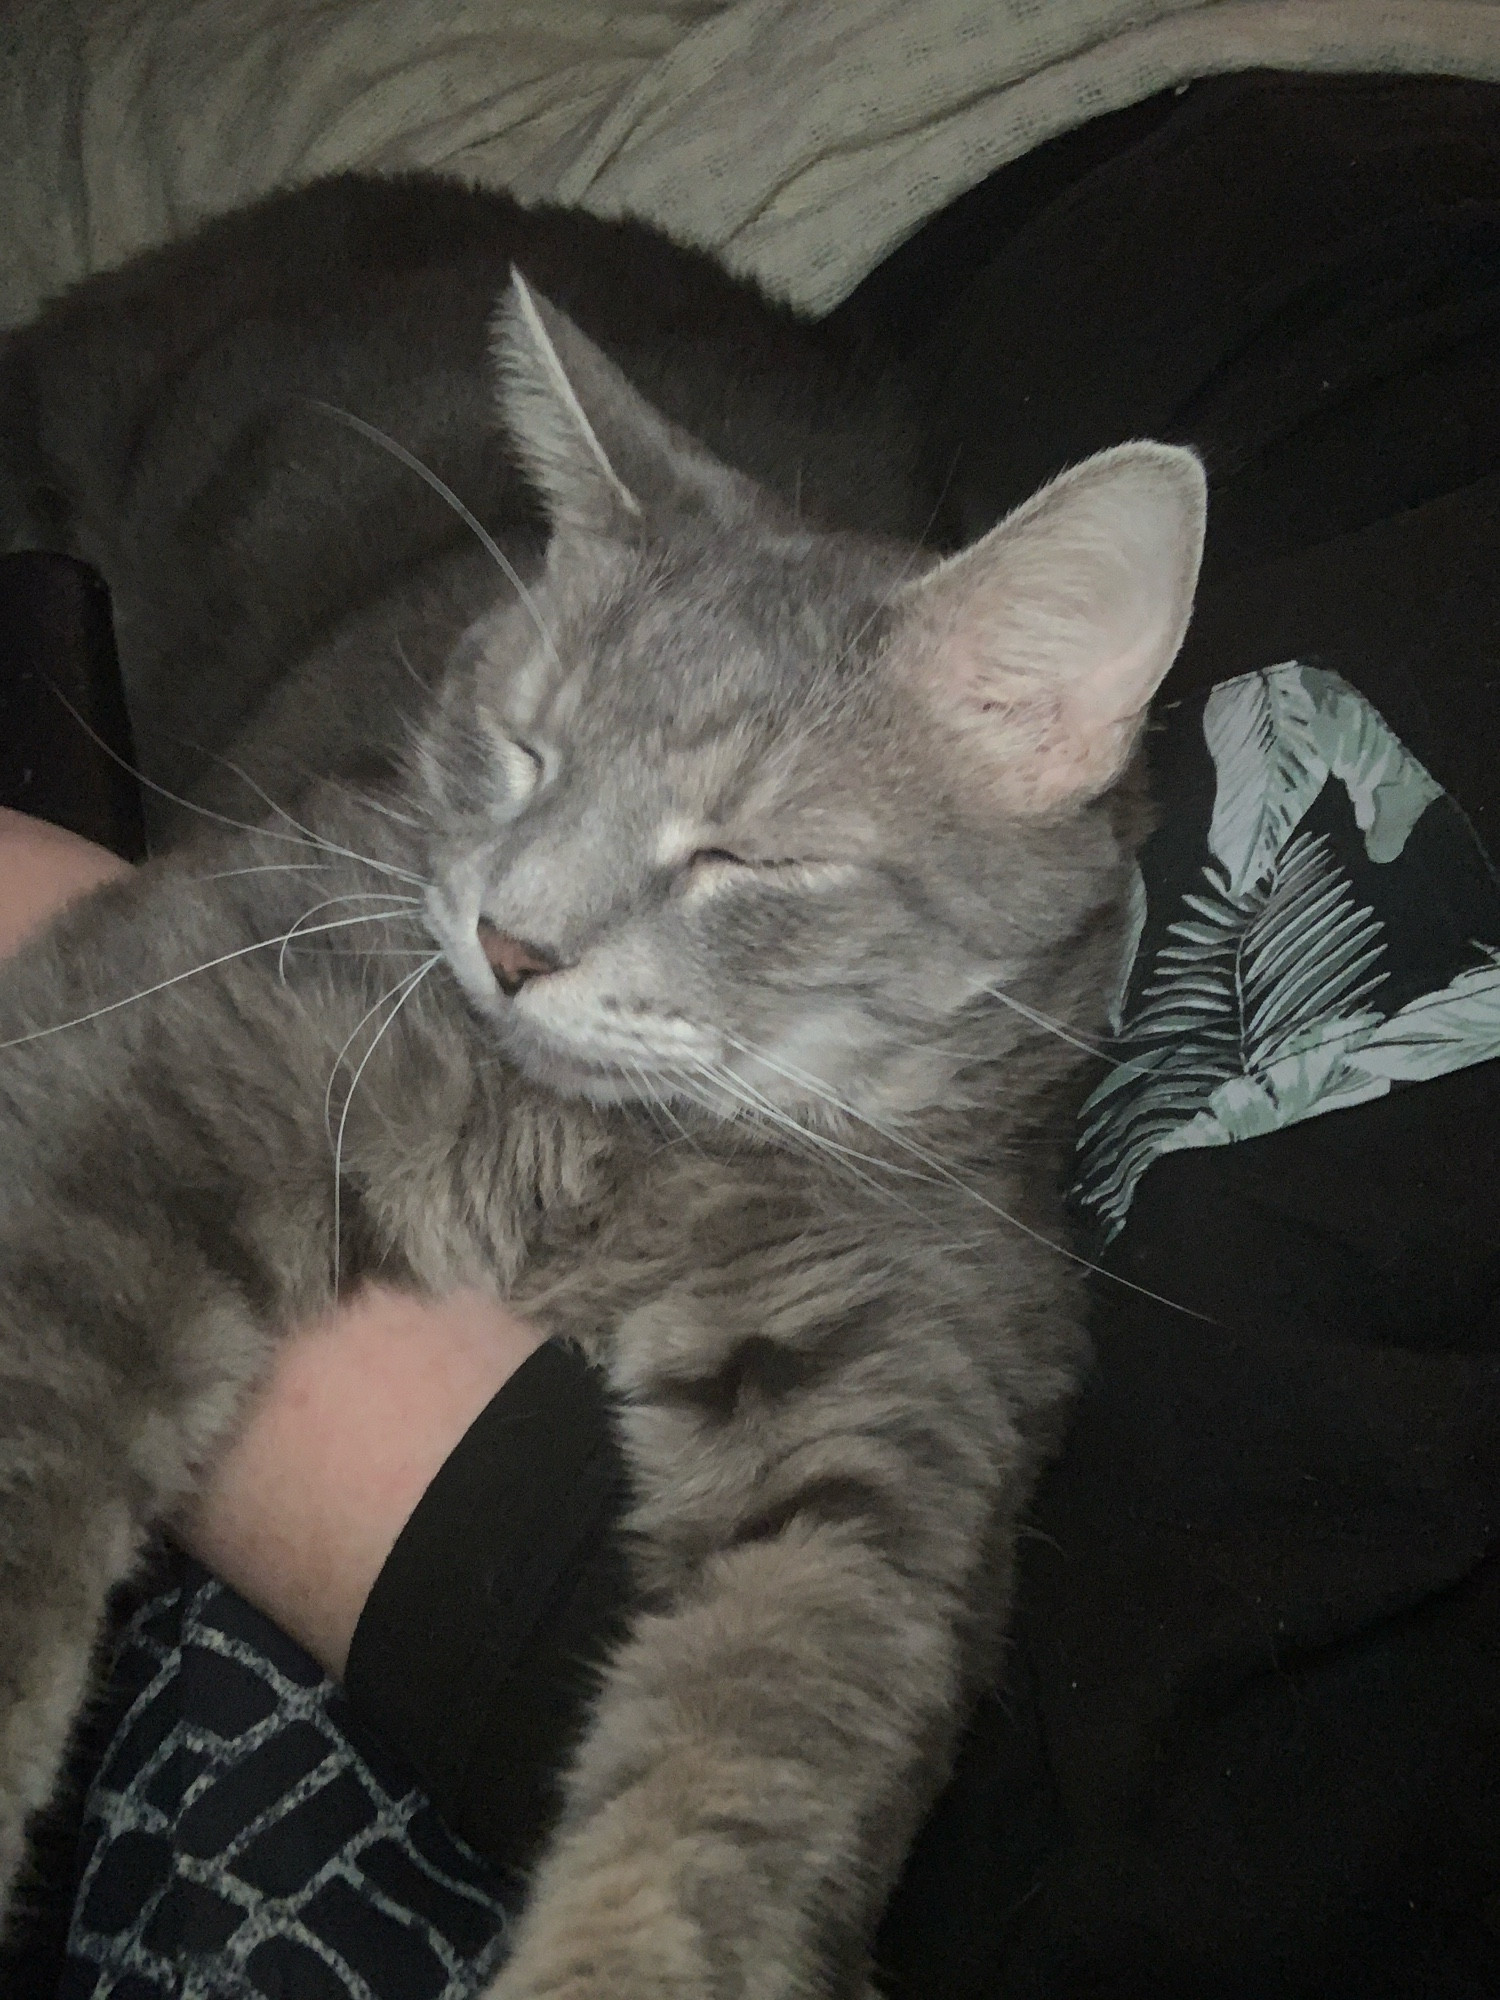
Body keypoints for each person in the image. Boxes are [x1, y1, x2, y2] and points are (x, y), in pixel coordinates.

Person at [4, 66, 1500, 2000]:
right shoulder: (447, 864)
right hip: (195, 399)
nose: (515, 923)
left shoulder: (942, 1193)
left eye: (729, 855)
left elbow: (842, 1605)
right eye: (524, 758)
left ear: (1048, 732)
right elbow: (106, 1113)